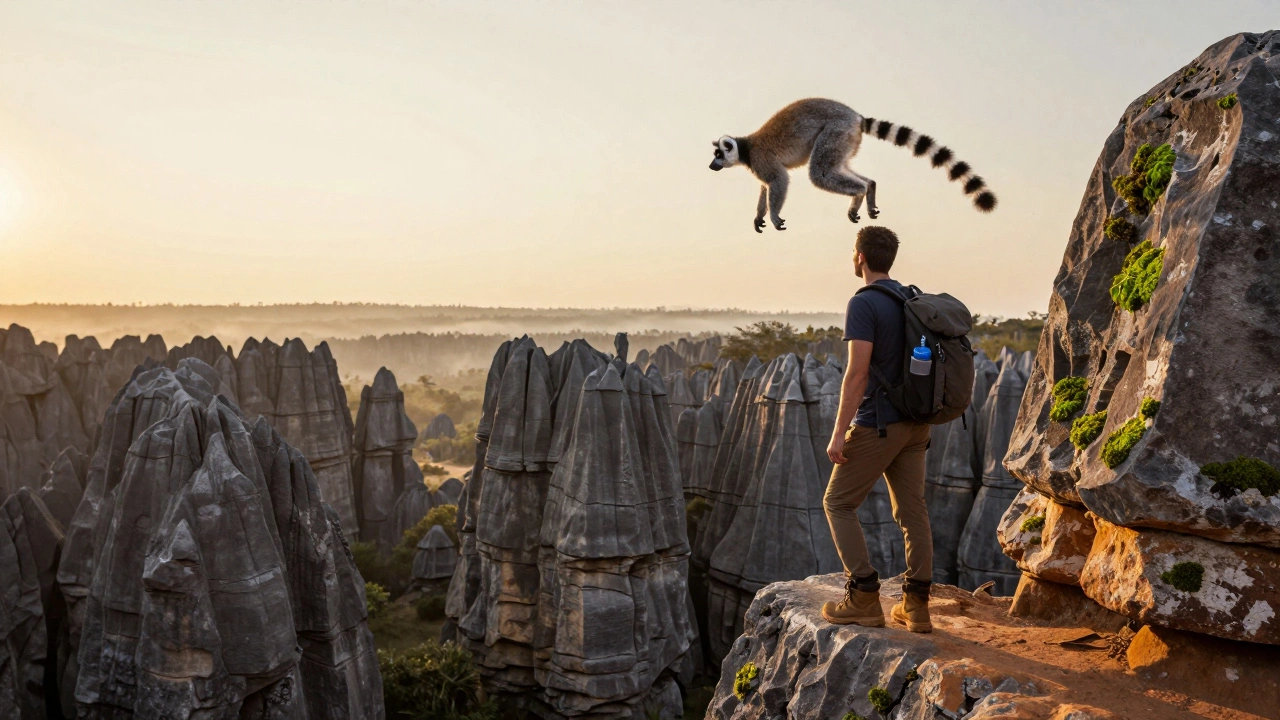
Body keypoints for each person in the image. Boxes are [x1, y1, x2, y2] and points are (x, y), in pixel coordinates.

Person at [819, 225, 933, 633]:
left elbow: (857, 373)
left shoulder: (864, 303)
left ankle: (864, 596)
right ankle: (916, 606)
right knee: (912, 510)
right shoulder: (910, 299)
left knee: (837, 502)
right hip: (917, 424)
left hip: (879, 424)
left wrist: (839, 432)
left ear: (860, 256)